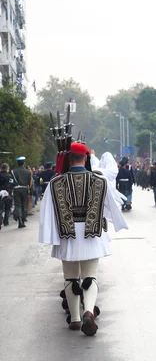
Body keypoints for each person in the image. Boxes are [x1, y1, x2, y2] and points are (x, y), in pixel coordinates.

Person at [38, 142, 128, 336]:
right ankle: (88, 309)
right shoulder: (99, 180)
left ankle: (76, 319)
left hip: (67, 233)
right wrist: (115, 222)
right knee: (90, 275)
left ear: (69, 159)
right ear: (85, 158)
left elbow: (48, 212)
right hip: (91, 233)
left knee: (70, 277)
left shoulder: (55, 182)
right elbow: (111, 205)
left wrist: (50, 234)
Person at [11, 156, 31, 228]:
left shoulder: (13, 171)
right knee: (24, 205)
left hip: (16, 189)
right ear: (23, 163)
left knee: (17, 205)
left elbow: (11, 182)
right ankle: (23, 219)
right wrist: (30, 193)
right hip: (24, 189)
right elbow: (30, 183)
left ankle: (19, 219)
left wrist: (10, 191)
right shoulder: (28, 172)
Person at [0, 163, 14, 227]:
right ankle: (6, 221)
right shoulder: (10, 176)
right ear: (7, 168)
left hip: (0, 193)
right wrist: (10, 193)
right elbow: (11, 185)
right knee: (7, 208)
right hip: (7, 193)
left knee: (0, 208)